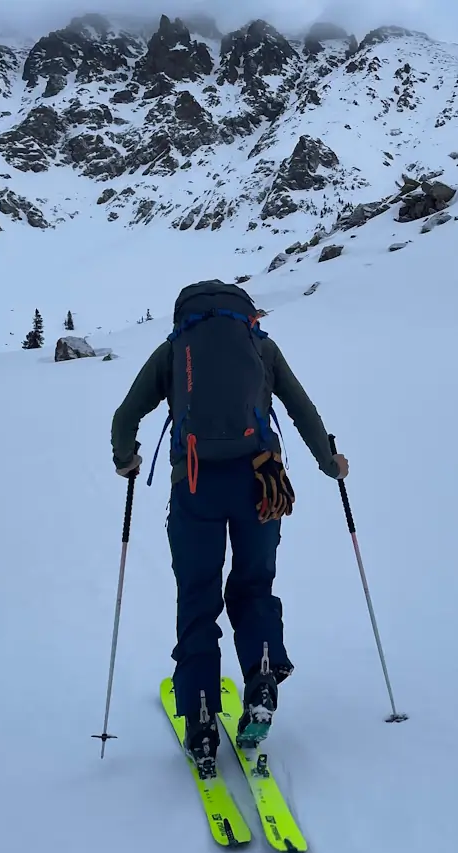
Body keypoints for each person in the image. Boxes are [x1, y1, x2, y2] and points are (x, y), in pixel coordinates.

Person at [110, 279, 348, 774]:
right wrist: (331, 463)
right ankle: (261, 674)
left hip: (195, 484)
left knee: (198, 597)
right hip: (260, 483)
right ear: (246, 316)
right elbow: (302, 411)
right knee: (254, 586)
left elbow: (125, 415)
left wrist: (126, 459)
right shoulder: (261, 346)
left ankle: (200, 719)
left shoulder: (175, 349)